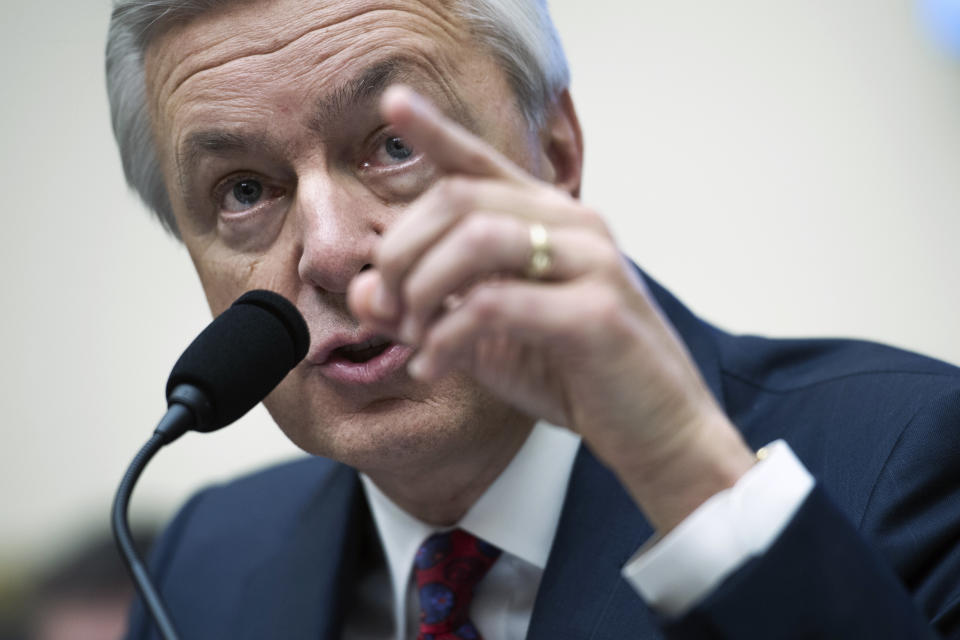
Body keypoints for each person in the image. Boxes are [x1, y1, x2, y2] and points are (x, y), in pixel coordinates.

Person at [105, 0, 960, 638]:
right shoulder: (197, 565)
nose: (328, 253)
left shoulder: (906, 460)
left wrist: (686, 476)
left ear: (555, 154)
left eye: (395, 146)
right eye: (244, 191)